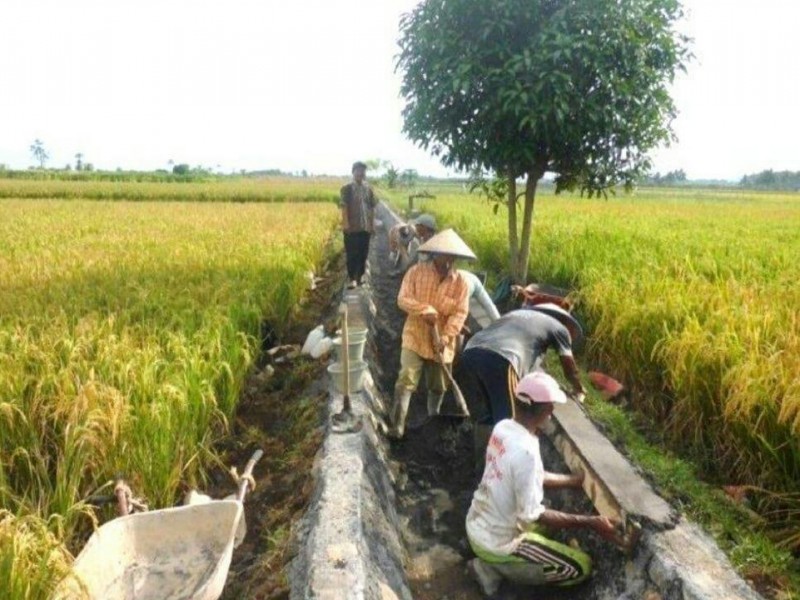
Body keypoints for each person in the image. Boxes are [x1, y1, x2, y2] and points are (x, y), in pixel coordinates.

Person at [465, 371, 621, 597]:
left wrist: (573, 481)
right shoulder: (526, 451)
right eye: (551, 408)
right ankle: (490, 569)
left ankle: (500, 562)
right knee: (579, 567)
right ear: (545, 412)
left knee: (549, 523)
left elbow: (530, 474)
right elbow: (532, 514)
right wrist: (592, 522)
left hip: (476, 522)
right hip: (496, 545)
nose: (552, 412)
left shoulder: (504, 427)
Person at [390, 228, 475, 439]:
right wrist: (424, 310)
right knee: (406, 377)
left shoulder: (461, 283)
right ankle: (397, 426)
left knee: (438, 386)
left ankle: (432, 420)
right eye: (445, 255)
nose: (448, 261)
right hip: (415, 336)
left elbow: (460, 313)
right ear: (435, 254)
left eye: (452, 256)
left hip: (442, 344)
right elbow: (403, 299)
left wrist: (446, 337)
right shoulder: (416, 272)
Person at [455, 303, 587, 427]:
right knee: (510, 420)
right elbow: (569, 366)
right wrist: (578, 388)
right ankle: (496, 449)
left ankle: (481, 446)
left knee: (484, 414)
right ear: (563, 321)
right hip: (502, 359)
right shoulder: (559, 327)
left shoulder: (516, 314)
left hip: (470, 353)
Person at [340, 161, 378, 289]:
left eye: (363, 171)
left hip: (365, 227)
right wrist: (345, 224)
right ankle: (352, 279)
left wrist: (372, 226)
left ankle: (360, 276)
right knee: (352, 254)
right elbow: (344, 207)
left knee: (363, 253)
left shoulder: (369, 189)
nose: (361, 173)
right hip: (351, 228)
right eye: (358, 171)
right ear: (353, 172)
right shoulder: (347, 189)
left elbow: (372, 208)